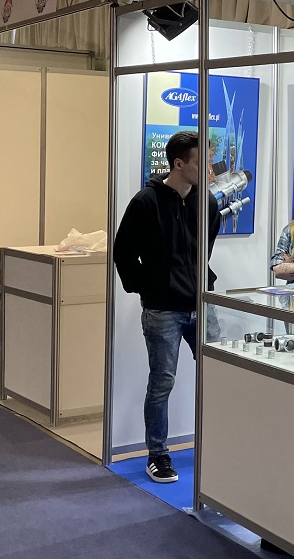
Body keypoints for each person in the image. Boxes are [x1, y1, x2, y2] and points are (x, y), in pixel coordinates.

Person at [112, 130, 221, 485]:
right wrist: (148, 288)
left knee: (219, 374)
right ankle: (157, 455)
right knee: (162, 382)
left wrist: (197, 281)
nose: (209, 169)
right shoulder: (146, 202)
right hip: (163, 311)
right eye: (202, 162)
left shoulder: (208, 203)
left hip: (202, 305)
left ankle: (220, 443)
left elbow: (205, 248)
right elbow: (123, 252)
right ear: (179, 164)